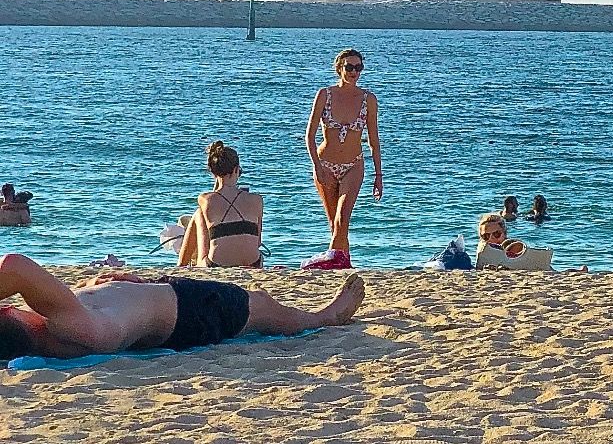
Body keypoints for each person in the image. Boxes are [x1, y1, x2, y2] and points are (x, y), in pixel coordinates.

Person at [0, 252, 363, 363]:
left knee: (259, 306)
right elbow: (13, 266)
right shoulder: (72, 329)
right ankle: (325, 317)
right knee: (261, 307)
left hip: (167, 303)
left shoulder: (57, 326)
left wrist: (99, 287)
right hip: (190, 309)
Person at [302, 49, 384, 269]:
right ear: (339, 68)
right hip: (325, 165)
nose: (354, 72)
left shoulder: (368, 99)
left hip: (353, 165)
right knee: (334, 224)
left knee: (342, 218)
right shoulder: (325, 94)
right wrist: (316, 166)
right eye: (349, 67)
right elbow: (309, 135)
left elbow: (374, 140)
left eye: (358, 67)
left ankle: (330, 260)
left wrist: (378, 175)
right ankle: (343, 264)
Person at [176, 142, 264, 269]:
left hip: (216, 265)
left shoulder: (204, 199)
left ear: (213, 173)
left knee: (199, 214)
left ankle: (180, 266)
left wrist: (218, 183)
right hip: (254, 263)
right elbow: (258, 242)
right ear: (236, 170)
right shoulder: (257, 200)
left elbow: (215, 200)